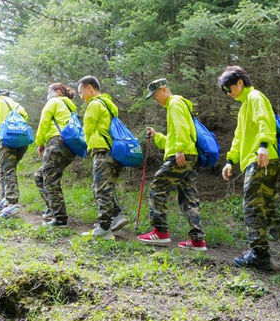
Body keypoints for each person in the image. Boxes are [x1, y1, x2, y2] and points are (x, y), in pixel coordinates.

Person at [219, 66, 280, 271]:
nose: (228, 93)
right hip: (260, 159)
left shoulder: (255, 97)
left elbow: (265, 121)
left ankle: (259, 254)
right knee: (265, 208)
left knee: (251, 207)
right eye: (225, 91)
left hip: (262, 159)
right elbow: (238, 137)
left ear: (240, 82)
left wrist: (263, 145)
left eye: (229, 88)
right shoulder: (244, 107)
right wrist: (230, 160)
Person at [137, 78, 207, 251]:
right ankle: (198, 240)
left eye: (155, 95)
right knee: (188, 197)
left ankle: (160, 232)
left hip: (182, 156)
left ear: (163, 89)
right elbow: (173, 139)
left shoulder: (174, 103)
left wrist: (180, 149)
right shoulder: (178, 105)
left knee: (157, 186)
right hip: (190, 156)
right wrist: (157, 136)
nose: (156, 99)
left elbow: (181, 129)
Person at [78, 76, 127, 240]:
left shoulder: (95, 104)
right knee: (103, 188)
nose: (81, 96)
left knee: (101, 190)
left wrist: (84, 146)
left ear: (89, 88)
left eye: (81, 92)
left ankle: (104, 228)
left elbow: (88, 129)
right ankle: (116, 216)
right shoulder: (109, 105)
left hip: (102, 152)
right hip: (114, 152)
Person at [34, 83, 79, 227]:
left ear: (58, 92)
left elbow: (44, 122)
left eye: (50, 91)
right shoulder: (71, 106)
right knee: (41, 176)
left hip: (56, 142)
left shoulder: (54, 101)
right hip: (70, 146)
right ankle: (52, 209)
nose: (48, 94)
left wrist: (40, 142)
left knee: (50, 180)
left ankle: (60, 219)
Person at [0, 89, 29, 218]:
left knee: (8, 170)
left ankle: (12, 203)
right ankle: (5, 197)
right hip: (22, 141)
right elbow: (25, 117)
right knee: (4, 169)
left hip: (6, 139)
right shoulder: (17, 104)